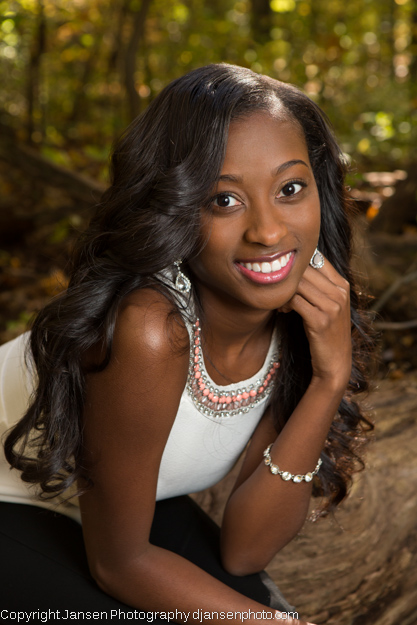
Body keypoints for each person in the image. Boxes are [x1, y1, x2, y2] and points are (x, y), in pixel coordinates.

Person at [0, 63, 372, 624]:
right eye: (224, 200)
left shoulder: (298, 319)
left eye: (290, 189)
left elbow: (244, 551)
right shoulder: (150, 330)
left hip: (116, 506)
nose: (269, 232)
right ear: (174, 208)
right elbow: (120, 564)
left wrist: (329, 379)